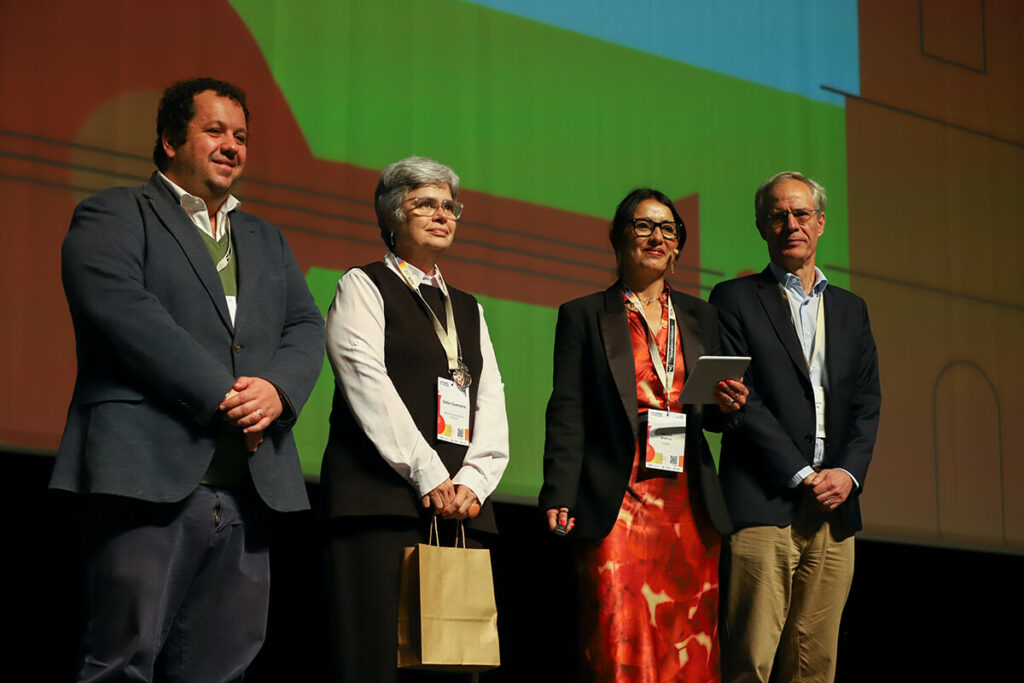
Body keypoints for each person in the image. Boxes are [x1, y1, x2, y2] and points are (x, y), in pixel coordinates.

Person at [51, 77, 326, 682]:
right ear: (171, 139)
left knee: (221, 668)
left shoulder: (265, 238)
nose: (232, 145)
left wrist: (277, 391)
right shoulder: (114, 214)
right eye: (215, 130)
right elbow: (124, 313)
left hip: (249, 491)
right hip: (148, 474)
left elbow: (306, 327)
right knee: (123, 660)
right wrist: (227, 395)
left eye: (242, 136)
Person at [539, 188, 748, 681]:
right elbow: (567, 409)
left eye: (668, 229)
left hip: (688, 505)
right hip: (619, 499)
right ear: (618, 239)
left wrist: (729, 405)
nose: (657, 236)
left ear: (677, 246)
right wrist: (558, 490)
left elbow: (711, 416)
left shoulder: (701, 316)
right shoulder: (584, 314)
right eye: (643, 226)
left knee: (690, 650)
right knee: (618, 643)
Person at [321, 156, 509, 682]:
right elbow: (365, 383)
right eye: (425, 203)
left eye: (450, 206)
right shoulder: (362, 285)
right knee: (378, 662)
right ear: (391, 214)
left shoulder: (468, 307)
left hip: (457, 512)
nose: (442, 214)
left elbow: (490, 399)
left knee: (451, 666)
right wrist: (429, 472)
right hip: (382, 507)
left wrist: (475, 479)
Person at [709, 171, 881, 682]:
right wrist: (802, 473)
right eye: (778, 215)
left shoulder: (853, 309)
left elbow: (868, 402)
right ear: (763, 227)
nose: (791, 224)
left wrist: (847, 474)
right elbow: (739, 401)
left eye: (802, 214)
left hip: (836, 507)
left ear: (821, 223)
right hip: (764, 503)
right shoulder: (733, 298)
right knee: (750, 663)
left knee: (816, 668)